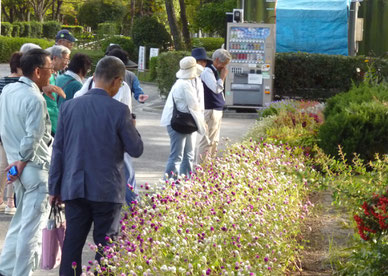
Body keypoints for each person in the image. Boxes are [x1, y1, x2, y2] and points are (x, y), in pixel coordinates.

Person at [49, 56, 144, 276]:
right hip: (107, 189)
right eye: (120, 84)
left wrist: (54, 188)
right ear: (117, 81)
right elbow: (136, 149)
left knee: (72, 244)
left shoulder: (70, 107)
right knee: (106, 247)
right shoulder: (119, 110)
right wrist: (132, 125)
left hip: (74, 186)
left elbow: (59, 151)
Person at [0, 48, 53, 276]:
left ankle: (5, 268)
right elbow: (33, 136)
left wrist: (16, 162)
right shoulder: (35, 98)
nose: (52, 74)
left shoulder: (8, 91)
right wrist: (22, 160)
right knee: (32, 231)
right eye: (50, 70)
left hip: (16, 165)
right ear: (38, 71)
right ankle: (21, 273)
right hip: (34, 167)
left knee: (20, 223)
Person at [160, 56, 206, 179]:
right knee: (178, 156)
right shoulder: (184, 84)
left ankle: (184, 182)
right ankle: (169, 184)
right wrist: (203, 127)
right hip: (179, 122)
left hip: (185, 122)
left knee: (187, 155)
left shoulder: (190, 81)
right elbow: (194, 106)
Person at [197, 48, 231, 162]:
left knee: (214, 141)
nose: (224, 67)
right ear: (216, 60)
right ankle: (202, 167)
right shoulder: (207, 71)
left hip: (216, 109)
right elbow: (216, 89)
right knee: (207, 140)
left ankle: (209, 165)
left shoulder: (214, 71)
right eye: (223, 64)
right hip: (210, 110)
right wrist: (222, 77)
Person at [0, 52, 23, 216]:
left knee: (2, 165)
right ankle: (10, 201)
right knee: (13, 165)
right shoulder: (21, 85)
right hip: (15, 129)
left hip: (2, 129)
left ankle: (1, 199)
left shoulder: (1, 82)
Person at [43, 45, 71, 136]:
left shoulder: (58, 73)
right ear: (55, 58)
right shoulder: (45, 75)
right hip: (45, 121)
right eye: (65, 59)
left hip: (55, 121)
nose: (67, 63)